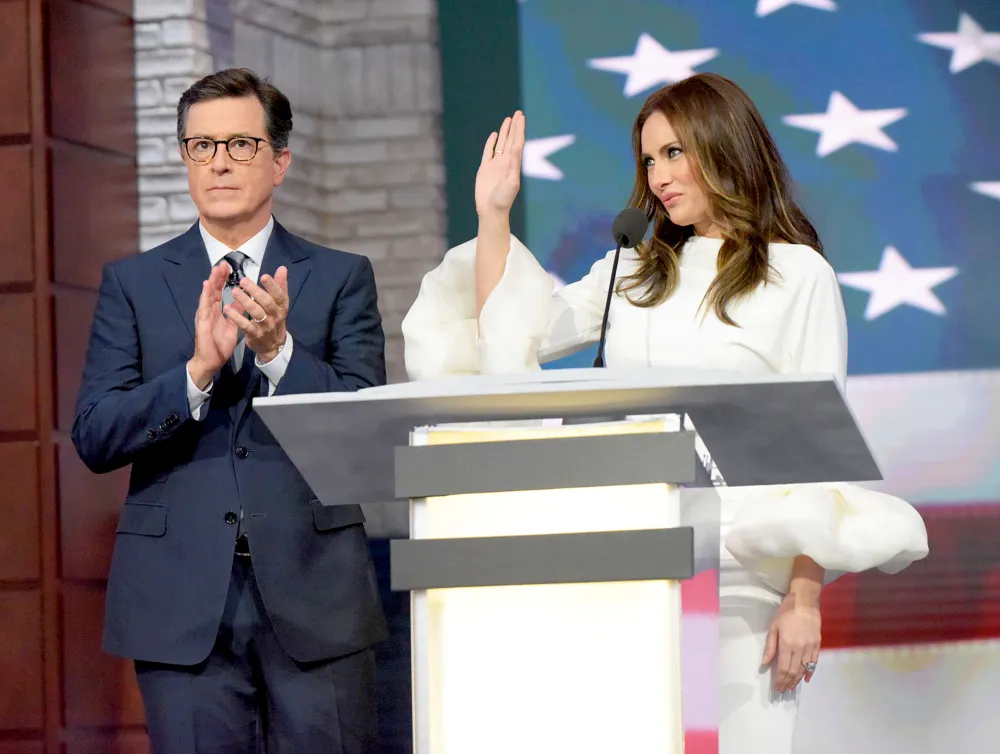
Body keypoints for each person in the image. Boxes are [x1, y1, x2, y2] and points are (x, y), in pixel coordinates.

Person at [400, 72, 928, 752]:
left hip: (741, 571)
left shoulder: (798, 275)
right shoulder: (633, 272)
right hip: (629, 563)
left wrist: (804, 599)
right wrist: (494, 215)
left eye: (674, 152)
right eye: (649, 160)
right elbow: (510, 336)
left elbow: (817, 451)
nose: (659, 177)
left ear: (724, 143)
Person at [72, 68, 387, 753]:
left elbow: (366, 435)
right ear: (185, 159)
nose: (219, 162)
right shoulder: (133, 283)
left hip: (315, 590)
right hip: (181, 601)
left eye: (241, 144)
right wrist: (195, 373)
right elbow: (95, 434)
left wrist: (278, 354)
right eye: (201, 146)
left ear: (280, 161)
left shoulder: (341, 277)